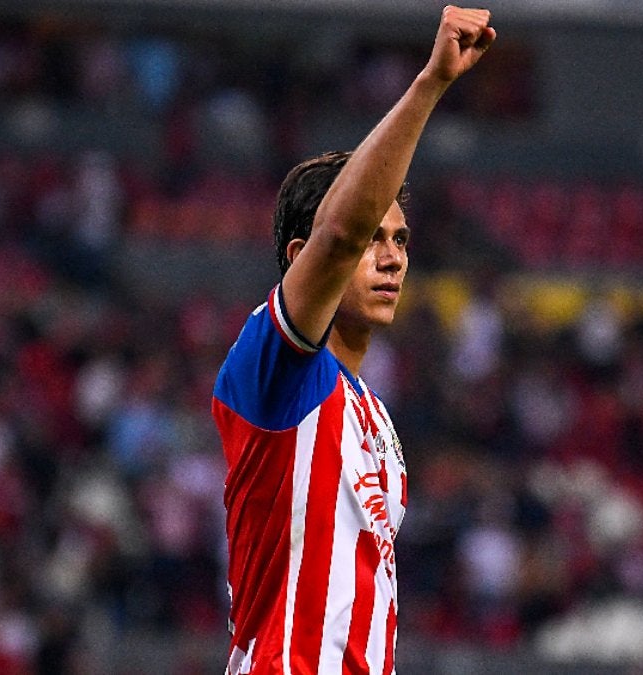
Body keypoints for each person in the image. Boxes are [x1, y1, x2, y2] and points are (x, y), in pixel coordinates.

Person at [210, 7, 495, 675]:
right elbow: (338, 234)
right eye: (373, 238)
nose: (391, 257)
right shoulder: (275, 370)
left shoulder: (373, 413)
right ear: (300, 256)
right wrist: (431, 82)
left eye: (400, 239)